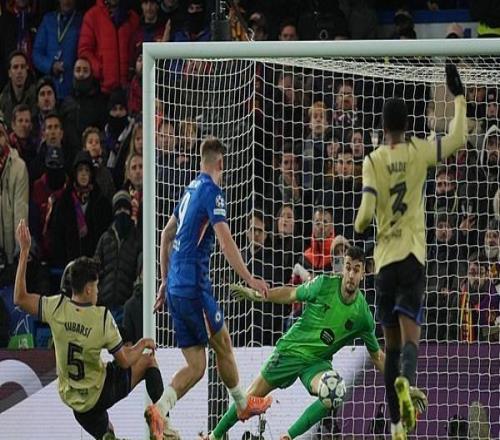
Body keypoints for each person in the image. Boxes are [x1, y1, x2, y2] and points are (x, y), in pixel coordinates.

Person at [354, 63, 467, 440]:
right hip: (413, 258)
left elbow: (365, 215)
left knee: (390, 345)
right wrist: (459, 97)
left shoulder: (373, 160)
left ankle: (396, 425)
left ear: (383, 126)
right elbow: (458, 138)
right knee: (411, 339)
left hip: (385, 263)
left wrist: (359, 226)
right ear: (407, 124)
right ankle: (408, 380)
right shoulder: (419, 151)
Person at [206, 247, 420, 440]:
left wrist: (404, 386)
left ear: (363, 274)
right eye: (348, 268)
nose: (351, 275)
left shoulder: (363, 315)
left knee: (335, 392)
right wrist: (258, 295)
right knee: (248, 399)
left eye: (356, 270)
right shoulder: (324, 284)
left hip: (316, 364)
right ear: (342, 269)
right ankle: (214, 436)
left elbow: (378, 356)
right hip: (291, 351)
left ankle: (288, 437)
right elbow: (291, 293)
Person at [151, 137, 272, 430]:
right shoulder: (212, 192)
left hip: (176, 287)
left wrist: (164, 282)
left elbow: (166, 235)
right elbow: (225, 241)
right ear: (221, 162)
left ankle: (159, 410)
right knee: (223, 343)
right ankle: (242, 405)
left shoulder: (190, 189)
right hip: (194, 285)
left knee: (197, 365)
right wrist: (250, 278)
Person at [13, 220, 167, 440]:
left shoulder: (56, 307)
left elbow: (19, 298)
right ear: (87, 290)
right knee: (148, 361)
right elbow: (125, 361)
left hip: (75, 402)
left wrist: (24, 251)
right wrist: (142, 343)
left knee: (108, 435)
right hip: (100, 392)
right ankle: (164, 429)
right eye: (96, 286)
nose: (98, 291)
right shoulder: (101, 318)